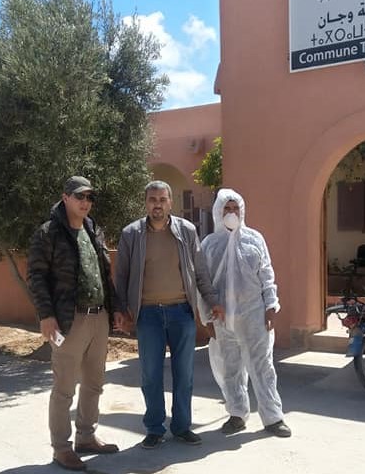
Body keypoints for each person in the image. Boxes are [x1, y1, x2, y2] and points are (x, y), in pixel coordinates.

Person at [114, 180, 224, 449]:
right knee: (150, 375)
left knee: (184, 374)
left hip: (181, 313)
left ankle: (182, 427)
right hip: (148, 315)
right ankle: (154, 428)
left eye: (162, 200)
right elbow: (122, 276)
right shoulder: (131, 234)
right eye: (153, 199)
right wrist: (121, 309)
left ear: (170, 203)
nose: (157, 205)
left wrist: (212, 301)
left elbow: (200, 272)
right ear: (145, 202)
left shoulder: (186, 231)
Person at [27, 176, 121, 471]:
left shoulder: (94, 230)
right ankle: (61, 448)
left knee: (94, 383)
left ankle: (86, 437)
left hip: (99, 317)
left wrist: (115, 308)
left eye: (89, 197)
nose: (85, 202)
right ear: (65, 197)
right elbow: (36, 277)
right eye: (80, 196)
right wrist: (46, 315)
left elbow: (104, 274)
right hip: (69, 320)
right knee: (64, 388)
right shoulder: (49, 233)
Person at [200, 188, 291, 438]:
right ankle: (237, 414)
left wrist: (271, 307)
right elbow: (203, 284)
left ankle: (273, 418)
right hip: (222, 317)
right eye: (226, 209)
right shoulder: (209, 244)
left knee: (263, 366)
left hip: (254, 315)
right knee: (231, 368)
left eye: (235, 208)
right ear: (218, 212)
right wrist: (206, 318)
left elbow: (267, 274)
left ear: (242, 211)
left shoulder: (255, 239)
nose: (231, 213)